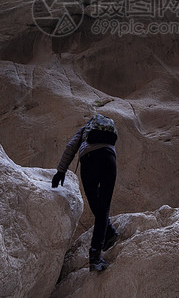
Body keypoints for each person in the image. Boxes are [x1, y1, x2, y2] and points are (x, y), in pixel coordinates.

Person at [52, 114, 119, 272]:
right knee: (104, 207)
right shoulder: (110, 130)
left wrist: (61, 171)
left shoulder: (85, 130)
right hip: (109, 159)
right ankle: (102, 242)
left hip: (88, 160)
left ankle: (98, 251)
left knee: (95, 203)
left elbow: (71, 147)